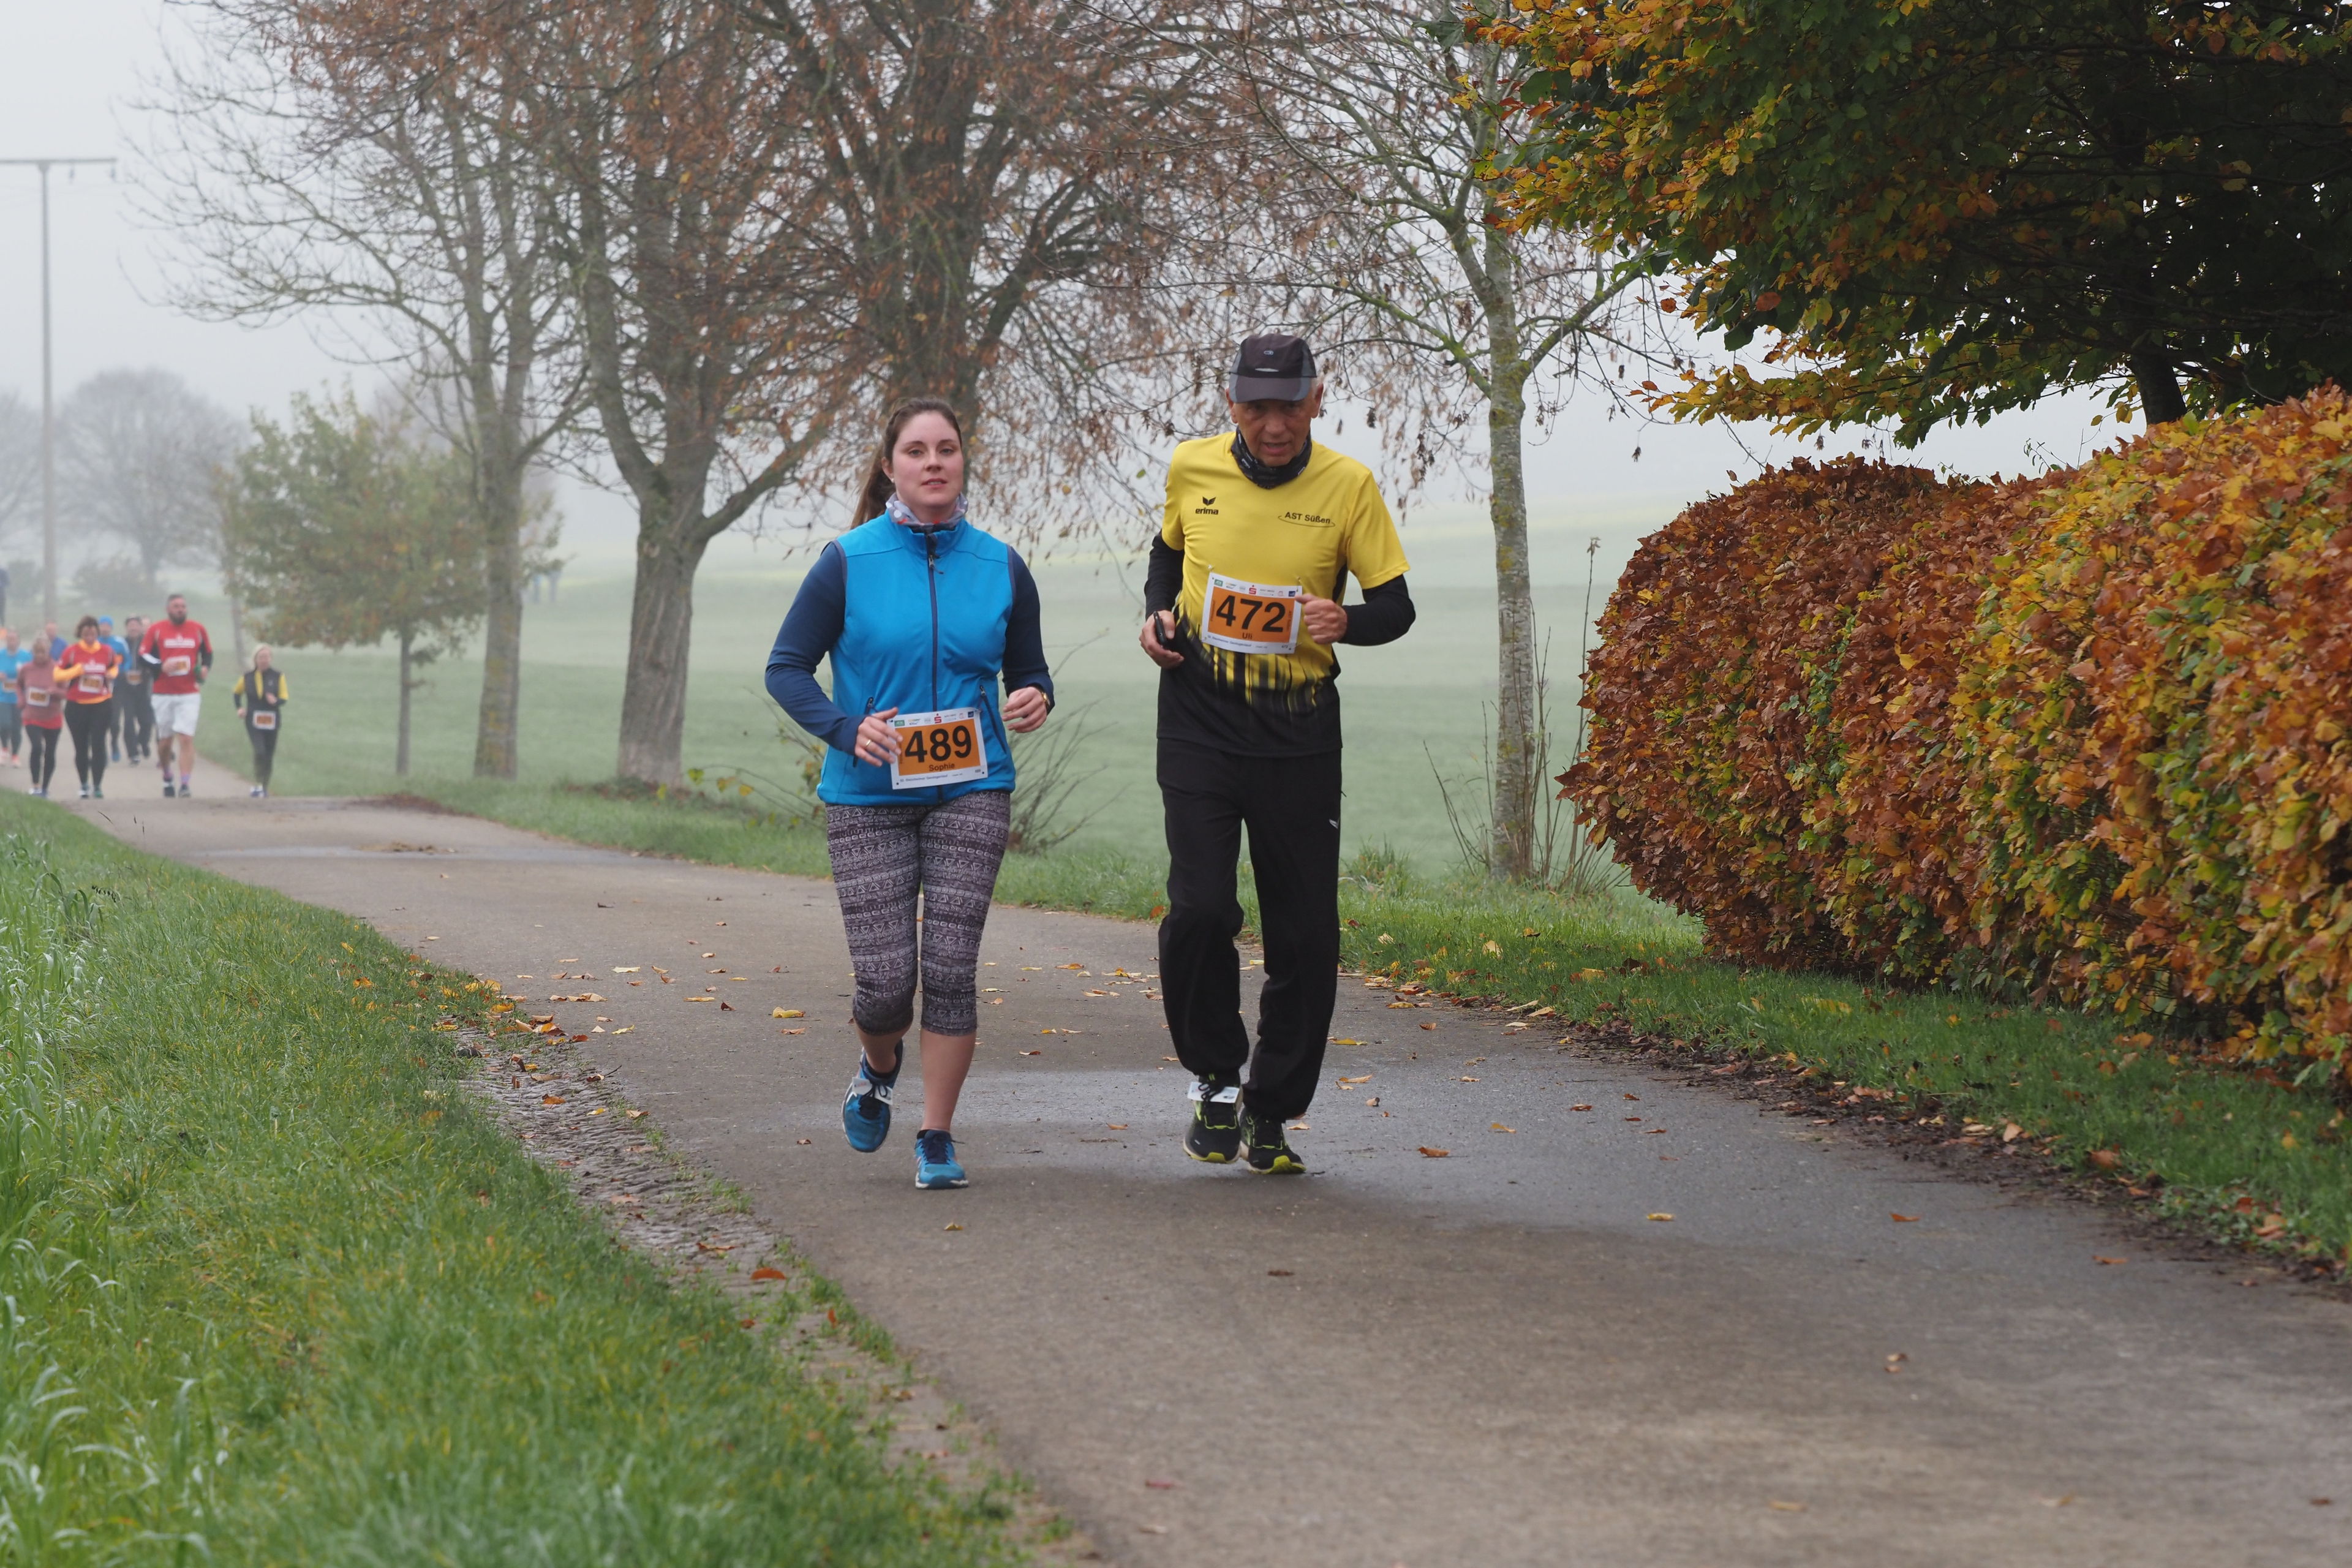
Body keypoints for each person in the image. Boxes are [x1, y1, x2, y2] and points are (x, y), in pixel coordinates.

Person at [1141, 333, 1417, 1175]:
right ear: (1230, 404)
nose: (1272, 425)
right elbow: (1167, 552)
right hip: (1199, 718)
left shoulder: (1348, 485)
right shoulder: (1191, 466)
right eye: (1256, 407)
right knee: (1199, 909)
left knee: (1303, 935)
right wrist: (1157, 614)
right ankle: (1216, 1077)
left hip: (1298, 732)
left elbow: (1396, 607)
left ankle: (1271, 1109)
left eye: (1289, 407)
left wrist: (1347, 621)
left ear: (1316, 400)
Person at [765, 397, 1053, 1191]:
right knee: (887, 985)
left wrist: (1035, 696)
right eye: (917, 451)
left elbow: (1029, 670)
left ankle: (936, 1135)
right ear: (891, 466)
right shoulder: (848, 561)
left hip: (973, 785)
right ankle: (878, 1065)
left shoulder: (1001, 565)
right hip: (868, 795)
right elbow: (786, 668)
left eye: (947, 449)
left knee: (952, 968)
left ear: (963, 461)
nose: (934, 462)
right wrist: (844, 727)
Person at [140, 593, 213, 797]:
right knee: (165, 742)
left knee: (186, 738)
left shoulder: (197, 629)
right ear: (168, 609)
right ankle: (167, 774)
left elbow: (208, 653)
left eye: (183, 606)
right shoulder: (156, 630)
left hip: (189, 693)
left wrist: (205, 668)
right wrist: (161, 665)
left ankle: (185, 784)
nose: (180, 610)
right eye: (176, 606)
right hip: (163, 693)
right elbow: (143, 655)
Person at [55, 616, 120, 799]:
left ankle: (97, 785)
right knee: (81, 747)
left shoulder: (107, 651)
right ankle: (84, 784)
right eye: (86, 633)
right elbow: (57, 675)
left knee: (99, 744)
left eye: (93, 633)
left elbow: (114, 667)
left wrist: (111, 673)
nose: (90, 636)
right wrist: (76, 670)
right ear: (81, 634)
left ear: (97, 633)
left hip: (101, 704)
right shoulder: (72, 652)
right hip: (76, 706)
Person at [232, 645, 288, 797]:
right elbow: (236, 693)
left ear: (271, 659)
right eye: (261, 657)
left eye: (267, 657)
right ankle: (258, 783)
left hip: (272, 720)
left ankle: (264, 786)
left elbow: (284, 697)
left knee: (269, 754)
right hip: (253, 720)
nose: (264, 660)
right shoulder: (247, 677)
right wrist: (239, 708)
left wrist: (276, 701)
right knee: (260, 751)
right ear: (256, 659)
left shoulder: (278, 676)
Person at [13, 641, 61, 797]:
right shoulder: (26, 668)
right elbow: (18, 685)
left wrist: (55, 692)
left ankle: (45, 787)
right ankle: (35, 785)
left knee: (50, 752)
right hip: (32, 716)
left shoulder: (57, 669)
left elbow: (67, 691)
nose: (40, 655)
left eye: (43, 652)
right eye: (37, 652)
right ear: (33, 653)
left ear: (49, 652)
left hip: (52, 716)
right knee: (37, 747)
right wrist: (21, 699)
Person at [116, 615, 154, 764]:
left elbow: (153, 660)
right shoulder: (121, 643)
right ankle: (132, 754)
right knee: (129, 722)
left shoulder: (148, 643)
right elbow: (116, 661)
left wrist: (148, 671)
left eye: (136, 625)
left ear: (140, 627)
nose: (133, 628)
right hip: (126, 687)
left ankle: (143, 742)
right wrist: (121, 673)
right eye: (130, 625)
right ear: (126, 628)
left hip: (143, 686)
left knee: (147, 721)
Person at [97, 616, 129, 762]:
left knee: (115, 722)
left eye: (107, 626)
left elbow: (128, 660)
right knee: (100, 721)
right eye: (102, 626)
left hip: (117, 687)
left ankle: (114, 744)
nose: (105, 628)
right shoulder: (94, 643)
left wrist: (122, 672)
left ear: (111, 628)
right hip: (98, 688)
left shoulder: (119, 643)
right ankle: (102, 751)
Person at [0, 628, 26, 768]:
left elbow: (32, 672)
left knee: (16, 728)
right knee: (4, 724)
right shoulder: (1, 655)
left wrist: (23, 676)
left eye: (14, 639)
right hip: (3, 697)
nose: (12, 642)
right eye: (9, 639)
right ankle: (4, 748)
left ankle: (15, 755)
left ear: (19, 641)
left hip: (19, 698)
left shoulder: (26, 656)